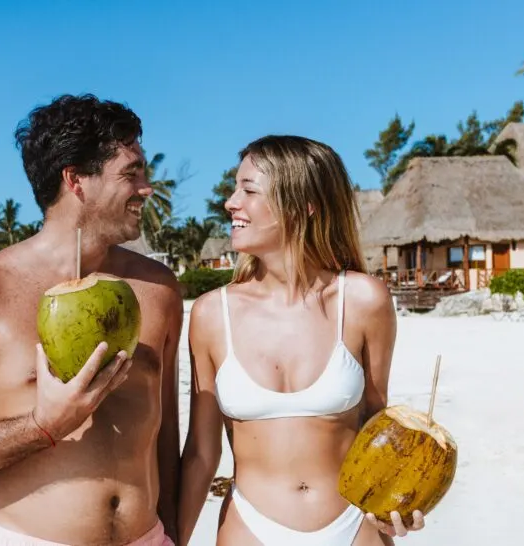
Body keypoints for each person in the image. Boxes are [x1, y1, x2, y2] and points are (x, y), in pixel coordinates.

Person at [0, 94, 183, 546]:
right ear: (76, 180)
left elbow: (165, 438)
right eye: (132, 173)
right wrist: (42, 426)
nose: (147, 187)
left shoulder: (159, 289)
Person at [177, 135, 426, 546]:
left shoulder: (363, 300)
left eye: (249, 190)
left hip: (354, 526)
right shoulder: (210, 314)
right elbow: (202, 454)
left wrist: (401, 504)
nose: (231, 202)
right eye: (235, 188)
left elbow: (377, 425)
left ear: (304, 204)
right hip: (250, 528)